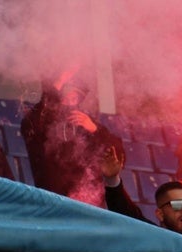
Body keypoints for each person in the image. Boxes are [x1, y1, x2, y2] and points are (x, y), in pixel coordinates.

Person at [20, 68, 124, 207]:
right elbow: (32, 123)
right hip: (54, 203)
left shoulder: (89, 126)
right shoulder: (41, 123)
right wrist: (59, 81)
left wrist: (94, 129)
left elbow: (117, 155)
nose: (70, 103)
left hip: (90, 204)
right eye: (65, 97)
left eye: (74, 98)